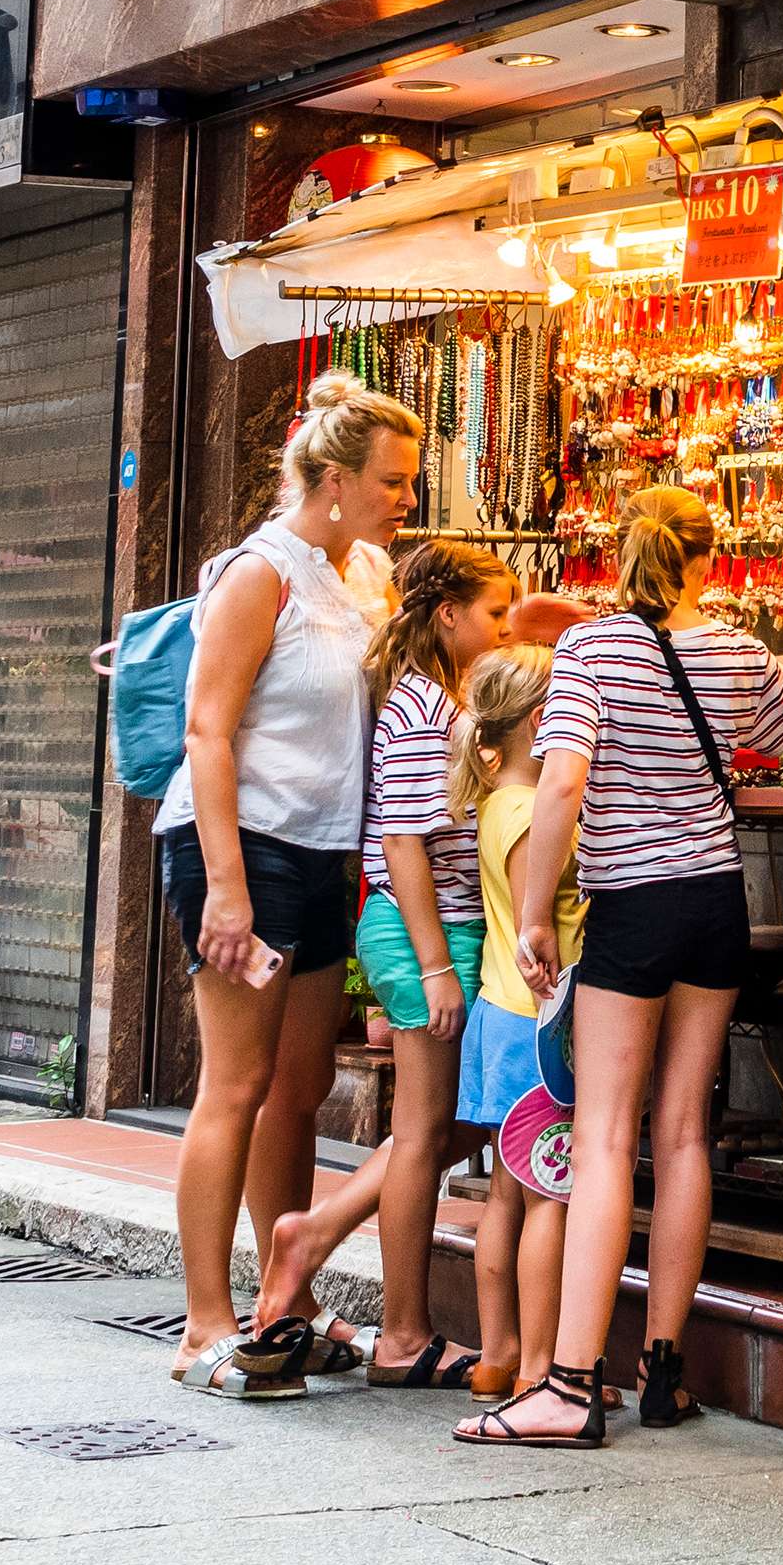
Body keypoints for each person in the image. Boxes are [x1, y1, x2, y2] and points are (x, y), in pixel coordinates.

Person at [469, 485, 783, 1447]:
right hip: (717, 902)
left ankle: (566, 1383)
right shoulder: (734, 648)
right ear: (707, 560)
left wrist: (532, 913)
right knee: (682, 1133)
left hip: (631, 908)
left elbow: (562, 777)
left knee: (602, 1136)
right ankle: (664, 1372)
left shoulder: (592, 650)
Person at [161, 370, 411, 1399]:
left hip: (321, 852)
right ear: (334, 479)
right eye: (391, 481)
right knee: (237, 1084)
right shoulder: (257, 573)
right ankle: (201, 1322)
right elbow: (206, 729)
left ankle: (286, 1304)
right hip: (241, 845)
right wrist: (225, 887)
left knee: (299, 1091)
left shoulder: (369, 576)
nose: (406, 497)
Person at [251, 533, 514, 1386]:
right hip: (421, 932)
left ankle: (314, 1232)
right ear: (448, 615)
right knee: (430, 1128)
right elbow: (401, 841)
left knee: (459, 1120)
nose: (506, 628)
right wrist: (437, 966)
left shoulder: (443, 698)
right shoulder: (420, 710)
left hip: (444, 930)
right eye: (495, 613)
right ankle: (401, 1332)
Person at [443, 645, 573, 1422]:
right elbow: (540, 928)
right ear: (538, 721)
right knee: (548, 1197)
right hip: (535, 1020)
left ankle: (496, 1355)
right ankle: (535, 1365)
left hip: (499, 1016)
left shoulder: (495, 801)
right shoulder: (531, 813)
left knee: (504, 1193)